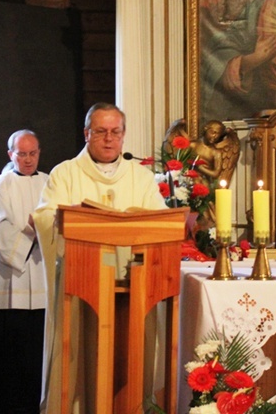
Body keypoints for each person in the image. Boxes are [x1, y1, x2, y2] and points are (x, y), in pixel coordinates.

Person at [32, 103, 167, 413]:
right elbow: (44, 216)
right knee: (79, 357)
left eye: (115, 132)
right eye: (101, 132)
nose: (109, 139)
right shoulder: (65, 173)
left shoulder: (140, 177)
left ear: (123, 135)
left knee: (131, 358)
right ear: (86, 134)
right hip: (81, 291)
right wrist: (69, 221)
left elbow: (161, 222)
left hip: (132, 289)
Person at [0, 129, 49, 414]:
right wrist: (31, 230)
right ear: (11, 155)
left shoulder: (50, 183)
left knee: (37, 361)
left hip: (43, 286)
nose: (28, 159)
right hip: (10, 290)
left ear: (39, 153)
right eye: (21, 153)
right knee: (9, 362)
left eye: (33, 153)